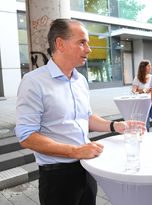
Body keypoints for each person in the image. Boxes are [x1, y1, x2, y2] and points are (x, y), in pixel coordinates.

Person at [14, 19, 144, 205]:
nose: (89, 49)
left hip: (87, 167)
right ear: (60, 44)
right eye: (82, 42)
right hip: (57, 176)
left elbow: (86, 117)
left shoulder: (80, 80)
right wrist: (75, 150)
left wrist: (116, 125)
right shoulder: (33, 82)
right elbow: (26, 136)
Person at [132, 60, 152, 131]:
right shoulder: (137, 78)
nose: (150, 67)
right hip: (142, 104)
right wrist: (144, 90)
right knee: (145, 124)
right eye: (148, 66)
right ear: (144, 67)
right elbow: (133, 92)